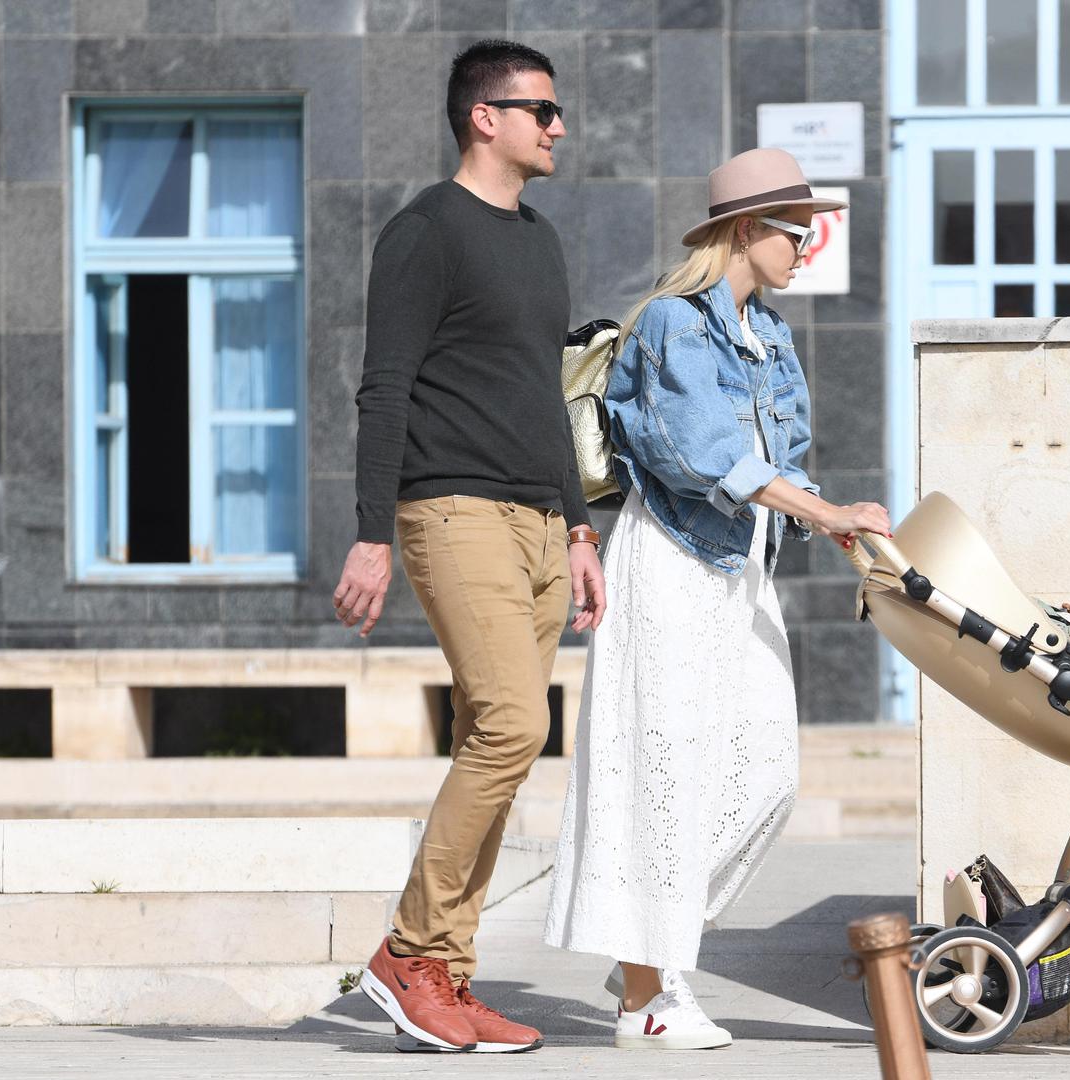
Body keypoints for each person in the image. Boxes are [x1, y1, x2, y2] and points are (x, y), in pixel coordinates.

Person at [541, 148, 893, 1050]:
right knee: (665, 772)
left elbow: (785, 458)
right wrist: (821, 511)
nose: (805, 248)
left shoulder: (767, 332)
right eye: (793, 233)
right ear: (743, 231)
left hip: (740, 569)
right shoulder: (672, 323)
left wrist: (835, 520)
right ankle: (649, 996)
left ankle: (642, 946)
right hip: (669, 562)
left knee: (765, 772)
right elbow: (699, 453)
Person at [330, 39, 606, 1055]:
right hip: (451, 511)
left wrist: (577, 525)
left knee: (495, 743)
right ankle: (408, 953)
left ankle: (445, 973)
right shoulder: (424, 232)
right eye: (542, 110)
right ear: (485, 117)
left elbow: (544, 396)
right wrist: (372, 533)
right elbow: (384, 387)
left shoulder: (538, 240)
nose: (559, 126)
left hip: (536, 524)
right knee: (510, 727)